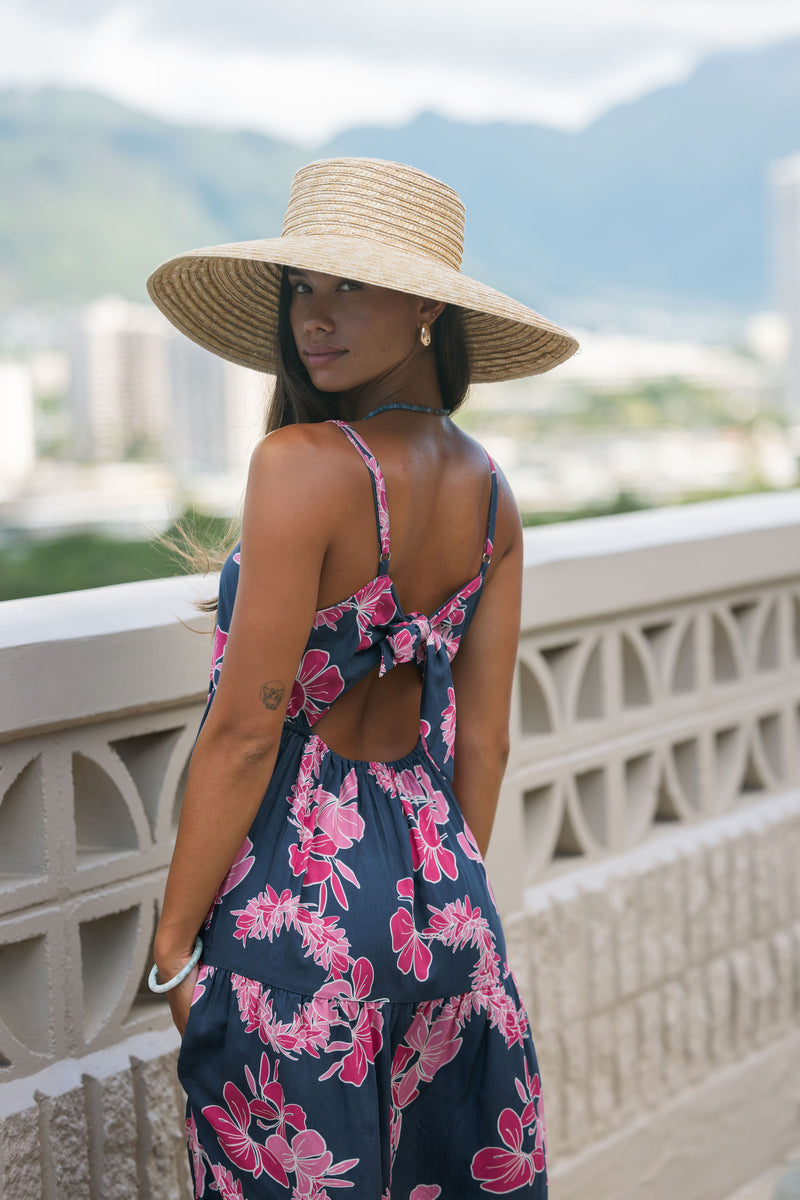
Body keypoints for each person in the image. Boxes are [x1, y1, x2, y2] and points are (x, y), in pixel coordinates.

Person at [146, 157, 578, 1199]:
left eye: (348, 284)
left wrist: (169, 946)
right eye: (303, 286)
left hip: (300, 909)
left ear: (427, 301)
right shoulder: (491, 496)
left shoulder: (300, 465)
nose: (314, 316)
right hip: (442, 898)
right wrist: (434, 899)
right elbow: (484, 742)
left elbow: (247, 733)